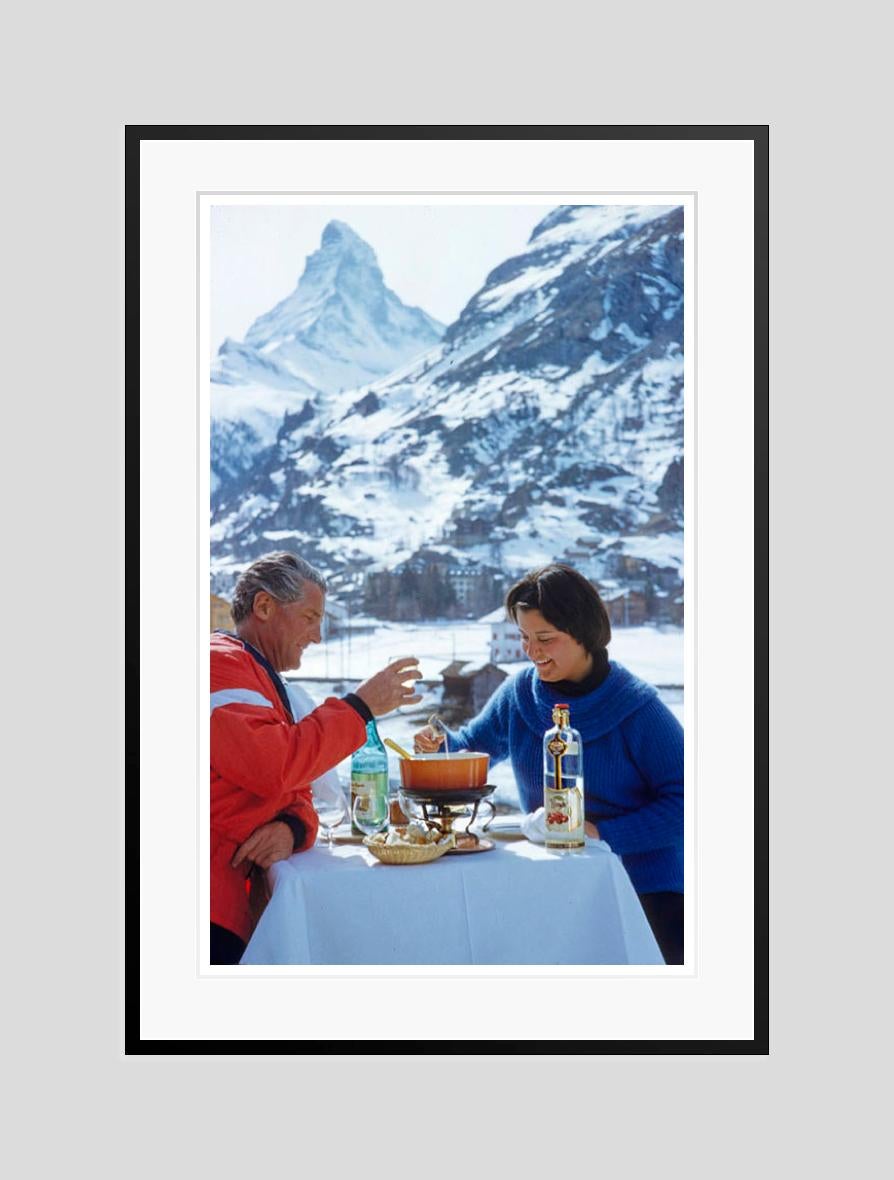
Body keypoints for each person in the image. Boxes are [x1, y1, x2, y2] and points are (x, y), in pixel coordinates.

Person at [414, 563, 684, 964]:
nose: (532, 651)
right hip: (558, 885)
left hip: (645, 893)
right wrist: (439, 747)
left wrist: (601, 831)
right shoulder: (520, 694)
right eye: (524, 637)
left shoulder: (637, 708)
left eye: (546, 638)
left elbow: (688, 802)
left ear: (585, 635)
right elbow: (472, 748)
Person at [211, 551, 422, 964]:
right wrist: (360, 708)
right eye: (309, 618)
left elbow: (298, 789)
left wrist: (291, 828)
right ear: (265, 607)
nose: (318, 636)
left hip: (229, 898)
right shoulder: (219, 664)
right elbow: (275, 768)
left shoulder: (255, 673)